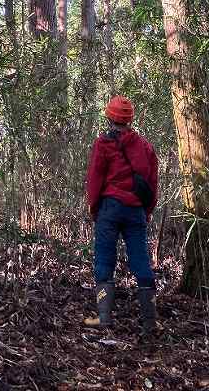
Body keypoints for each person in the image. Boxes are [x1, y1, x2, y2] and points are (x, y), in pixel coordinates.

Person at [83, 95, 159, 333]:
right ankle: (149, 321)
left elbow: (95, 180)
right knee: (140, 260)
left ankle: (104, 317)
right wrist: (145, 211)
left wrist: (94, 208)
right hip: (135, 210)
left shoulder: (103, 144)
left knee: (104, 258)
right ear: (129, 119)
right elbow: (152, 183)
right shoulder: (144, 146)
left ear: (109, 117)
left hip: (110, 208)